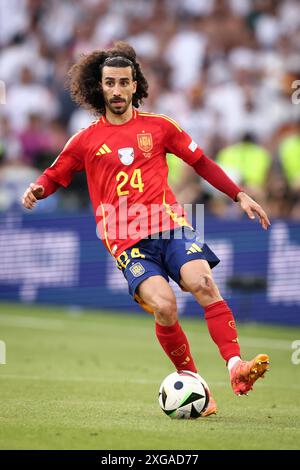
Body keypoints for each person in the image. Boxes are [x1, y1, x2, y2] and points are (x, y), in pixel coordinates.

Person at [22, 42, 270, 417]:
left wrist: (239, 195)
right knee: (165, 306)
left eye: (124, 82)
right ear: (99, 87)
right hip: (125, 239)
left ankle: (235, 366)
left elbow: (200, 162)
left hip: (169, 225)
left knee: (202, 283)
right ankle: (193, 383)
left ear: (136, 85)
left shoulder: (159, 127)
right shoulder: (86, 139)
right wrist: (38, 187)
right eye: (110, 83)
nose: (118, 90)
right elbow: (57, 172)